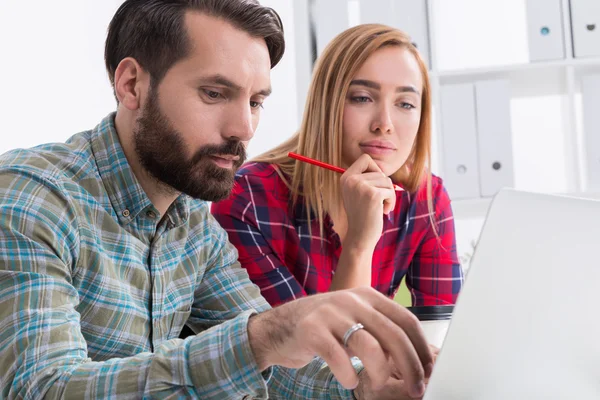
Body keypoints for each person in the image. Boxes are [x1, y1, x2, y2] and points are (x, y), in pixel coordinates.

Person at [0, 1, 434, 399]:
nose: (244, 128)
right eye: (214, 93)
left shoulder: (193, 223)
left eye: (256, 101)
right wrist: (263, 338)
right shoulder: (32, 199)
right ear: (131, 85)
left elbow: (280, 367)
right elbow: (41, 389)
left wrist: (366, 391)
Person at [211, 24, 464, 309]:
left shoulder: (426, 198)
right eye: (362, 98)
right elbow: (299, 346)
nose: (385, 124)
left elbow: (443, 327)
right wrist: (359, 244)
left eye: (405, 104)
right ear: (326, 103)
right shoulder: (247, 199)